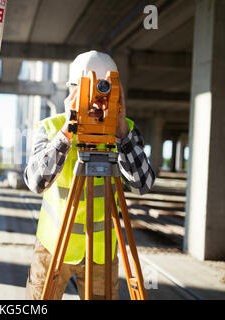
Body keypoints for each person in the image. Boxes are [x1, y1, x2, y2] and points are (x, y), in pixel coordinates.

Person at [24, 50, 155, 300]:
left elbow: (143, 184)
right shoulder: (51, 128)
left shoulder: (123, 129)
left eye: (103, 90)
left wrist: (122, 135)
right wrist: (66, 134)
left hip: (101, 252)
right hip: (53, 248)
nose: (96, 102)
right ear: (72, 91)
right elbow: (35, 182)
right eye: (89, 90)